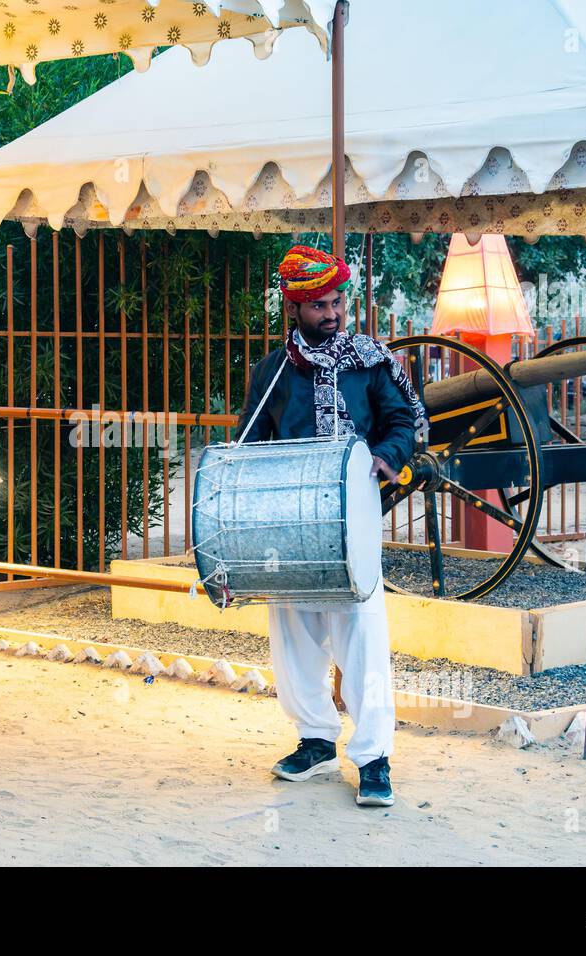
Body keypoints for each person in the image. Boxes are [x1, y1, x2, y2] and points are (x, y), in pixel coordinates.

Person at [236, 244, 424, 807]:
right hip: (288, 529)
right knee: (293, 638)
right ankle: (315, 739)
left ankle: (373, 758)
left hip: (351, 526)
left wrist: (388, 455)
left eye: (338, 301)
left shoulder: (370, 360)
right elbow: (250, 447)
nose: (333, 313)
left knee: (362, 636)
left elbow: (403, 420)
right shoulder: (271, 374)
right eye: (319, 305)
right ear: (293, 307)